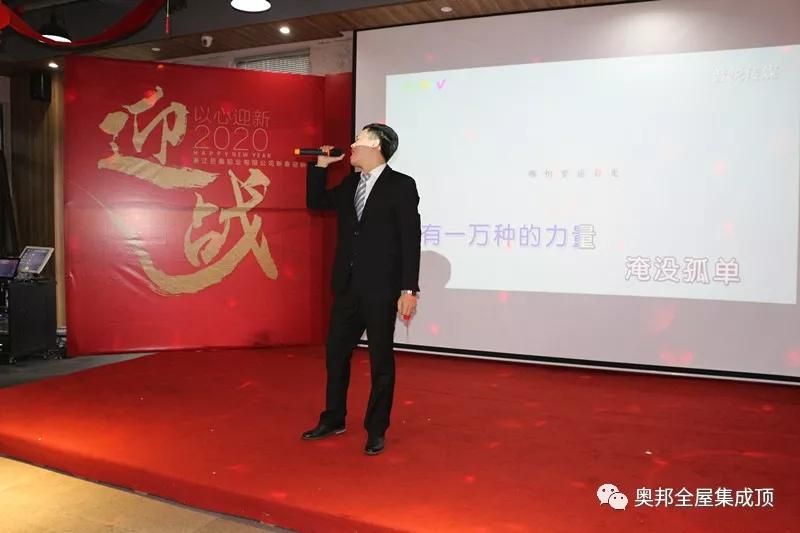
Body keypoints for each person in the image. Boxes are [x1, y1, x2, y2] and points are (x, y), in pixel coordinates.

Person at [302, 123, 421, 456]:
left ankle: (376, 429)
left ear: (377, 146)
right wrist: (320, 167)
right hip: (347, 286)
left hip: (381, 289)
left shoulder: (401, 185)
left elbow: (410, 239)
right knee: (336, 354)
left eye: (359, 140)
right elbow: (317, 202)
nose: (352, 145)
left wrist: (409, 289)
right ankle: (333, 418)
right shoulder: (350, 183)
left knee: (380, 361)